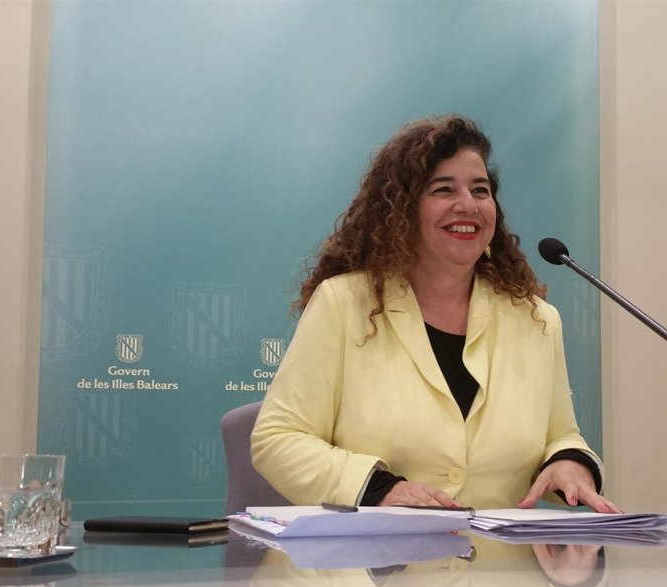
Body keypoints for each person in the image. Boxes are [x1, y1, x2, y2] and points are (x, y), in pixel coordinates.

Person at [250, 115, 619, 513]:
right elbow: (279, 438)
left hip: (503, 553)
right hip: (377, 551)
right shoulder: (344, 304)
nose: (468, 205)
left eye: (480, 190)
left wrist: (569, 462)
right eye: (444, 189)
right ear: (402, 210)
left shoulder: (536, 319)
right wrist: (378, 489)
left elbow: (561, 435)